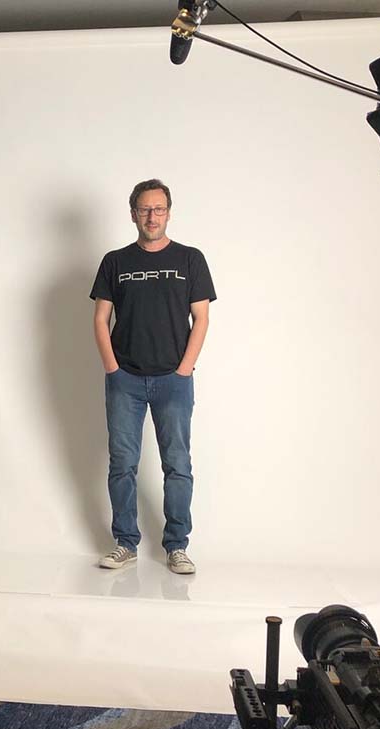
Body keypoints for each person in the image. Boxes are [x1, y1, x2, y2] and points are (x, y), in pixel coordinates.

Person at [90, 179, 215, 574]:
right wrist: (112, 368)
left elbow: (202, 318)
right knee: (122, 463)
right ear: (133, 214)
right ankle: (125, 543)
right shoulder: (115, 262)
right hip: (125, 379)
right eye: (144, 209)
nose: (152, 216)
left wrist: (184, 368)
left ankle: (176, 546)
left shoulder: (190, 259)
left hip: (174, 380)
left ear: (168, 213)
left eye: (159, 209)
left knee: (177, 464)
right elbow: (100, 318)